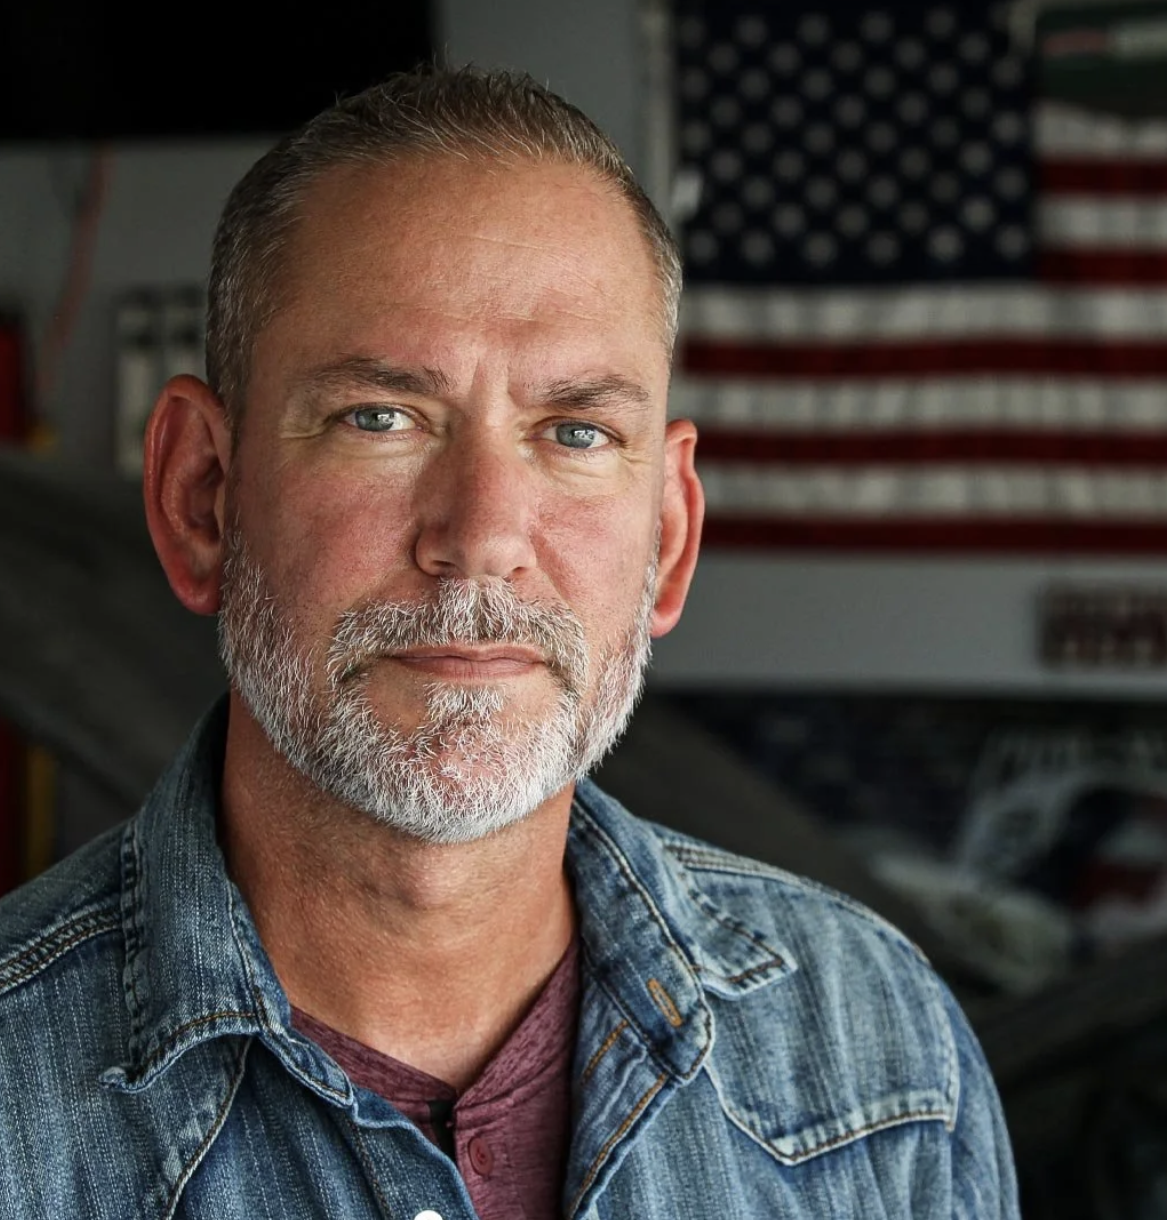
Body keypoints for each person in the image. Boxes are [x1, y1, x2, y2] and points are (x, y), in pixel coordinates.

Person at [0, 67, 1019, 1218]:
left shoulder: (876, 1050)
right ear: (203, 496)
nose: (480, 537)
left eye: (576, 431)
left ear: (668, 543)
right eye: (380, 418)